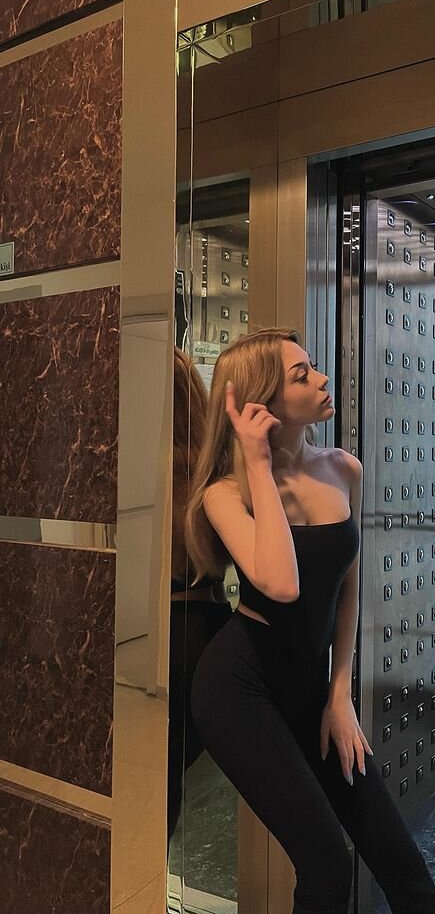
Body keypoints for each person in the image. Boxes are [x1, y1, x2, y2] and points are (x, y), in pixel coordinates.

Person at [187, 327, 435, 914]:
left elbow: (348, 588)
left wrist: (339, 693)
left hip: (313, 689)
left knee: (399, 857)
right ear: (261, 402)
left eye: (314, 367)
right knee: (327, 863)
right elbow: (281, 584)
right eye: (301, 375)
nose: (323, 379)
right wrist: (259, 465)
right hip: (239, 689)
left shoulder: (343, 469)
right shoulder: (225, 495)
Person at [168, 347, 232, 844]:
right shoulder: (214, 469)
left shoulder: (155, 470)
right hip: (213, 621)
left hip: (172, 629)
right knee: (173, 769)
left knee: (159, 774)